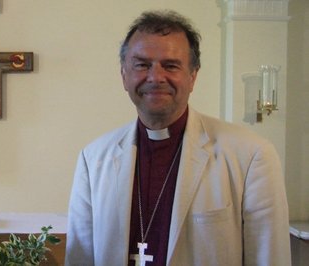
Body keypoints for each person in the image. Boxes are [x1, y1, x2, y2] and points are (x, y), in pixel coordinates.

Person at [65, 10, 291, 266]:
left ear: (192, 76)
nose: (156, 77)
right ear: (124, 75)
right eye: (141, 65)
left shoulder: (251, 155)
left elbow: (269, 258)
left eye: (171, 65)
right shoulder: (93, 158)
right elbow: (80, 257)